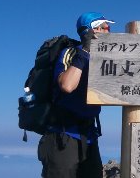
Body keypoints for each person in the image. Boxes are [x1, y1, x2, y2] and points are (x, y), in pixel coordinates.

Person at [38, 12, 115, 178]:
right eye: (102, 27)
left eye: (108, 27)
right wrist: (85, 51)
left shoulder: (105, 57)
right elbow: (67, 85)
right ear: (88, 31)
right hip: (62, 136)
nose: (107, 30)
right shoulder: (71, 53)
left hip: (89, 136)